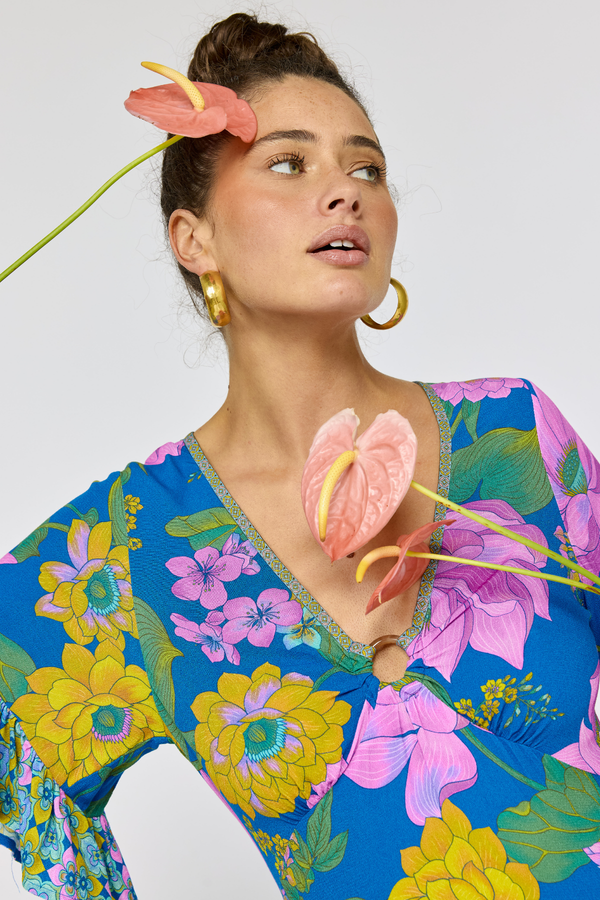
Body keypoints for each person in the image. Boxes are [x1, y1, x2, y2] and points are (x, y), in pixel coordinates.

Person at [1, 11, 599, 900]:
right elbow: (31, 782)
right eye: (290, 163)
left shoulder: (514, 437)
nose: (346, 191)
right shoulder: (126, 551)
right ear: (193, 238)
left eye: (368, 168)